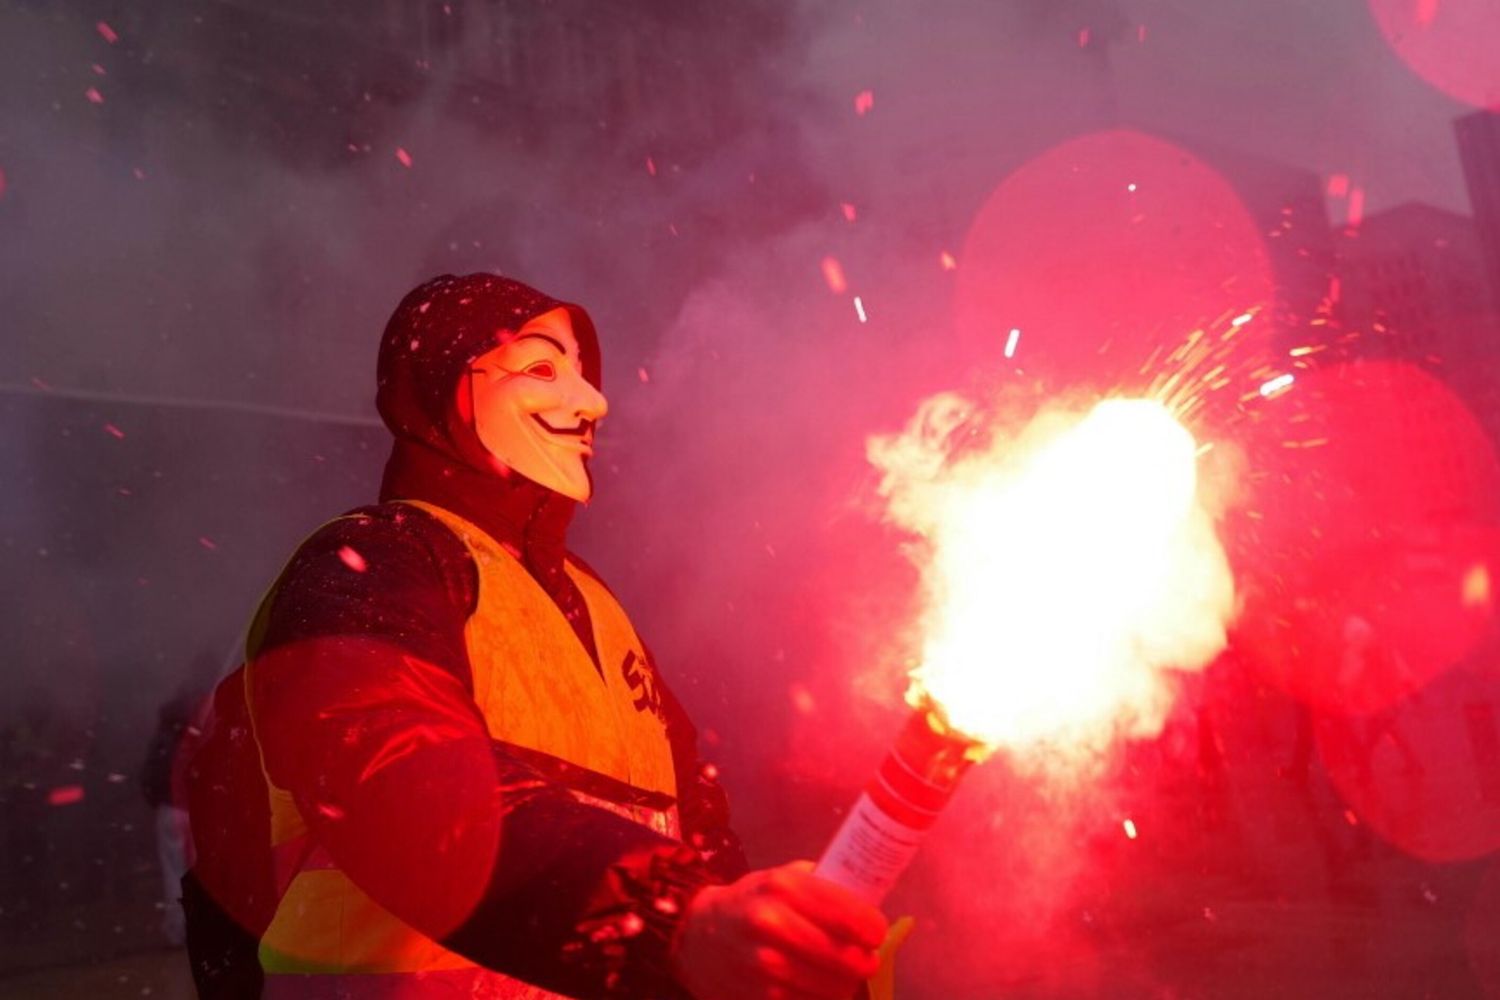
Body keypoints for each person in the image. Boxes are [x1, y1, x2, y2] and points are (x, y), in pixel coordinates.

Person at [205, 273, 886, 999]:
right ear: (442, 388)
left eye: (584, 375)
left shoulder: (598, 606)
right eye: (541, 368)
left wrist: (756, 940)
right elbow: (407, 798)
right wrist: (674, 920)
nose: (592, 401)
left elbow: (695, 827)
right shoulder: (371, 565)